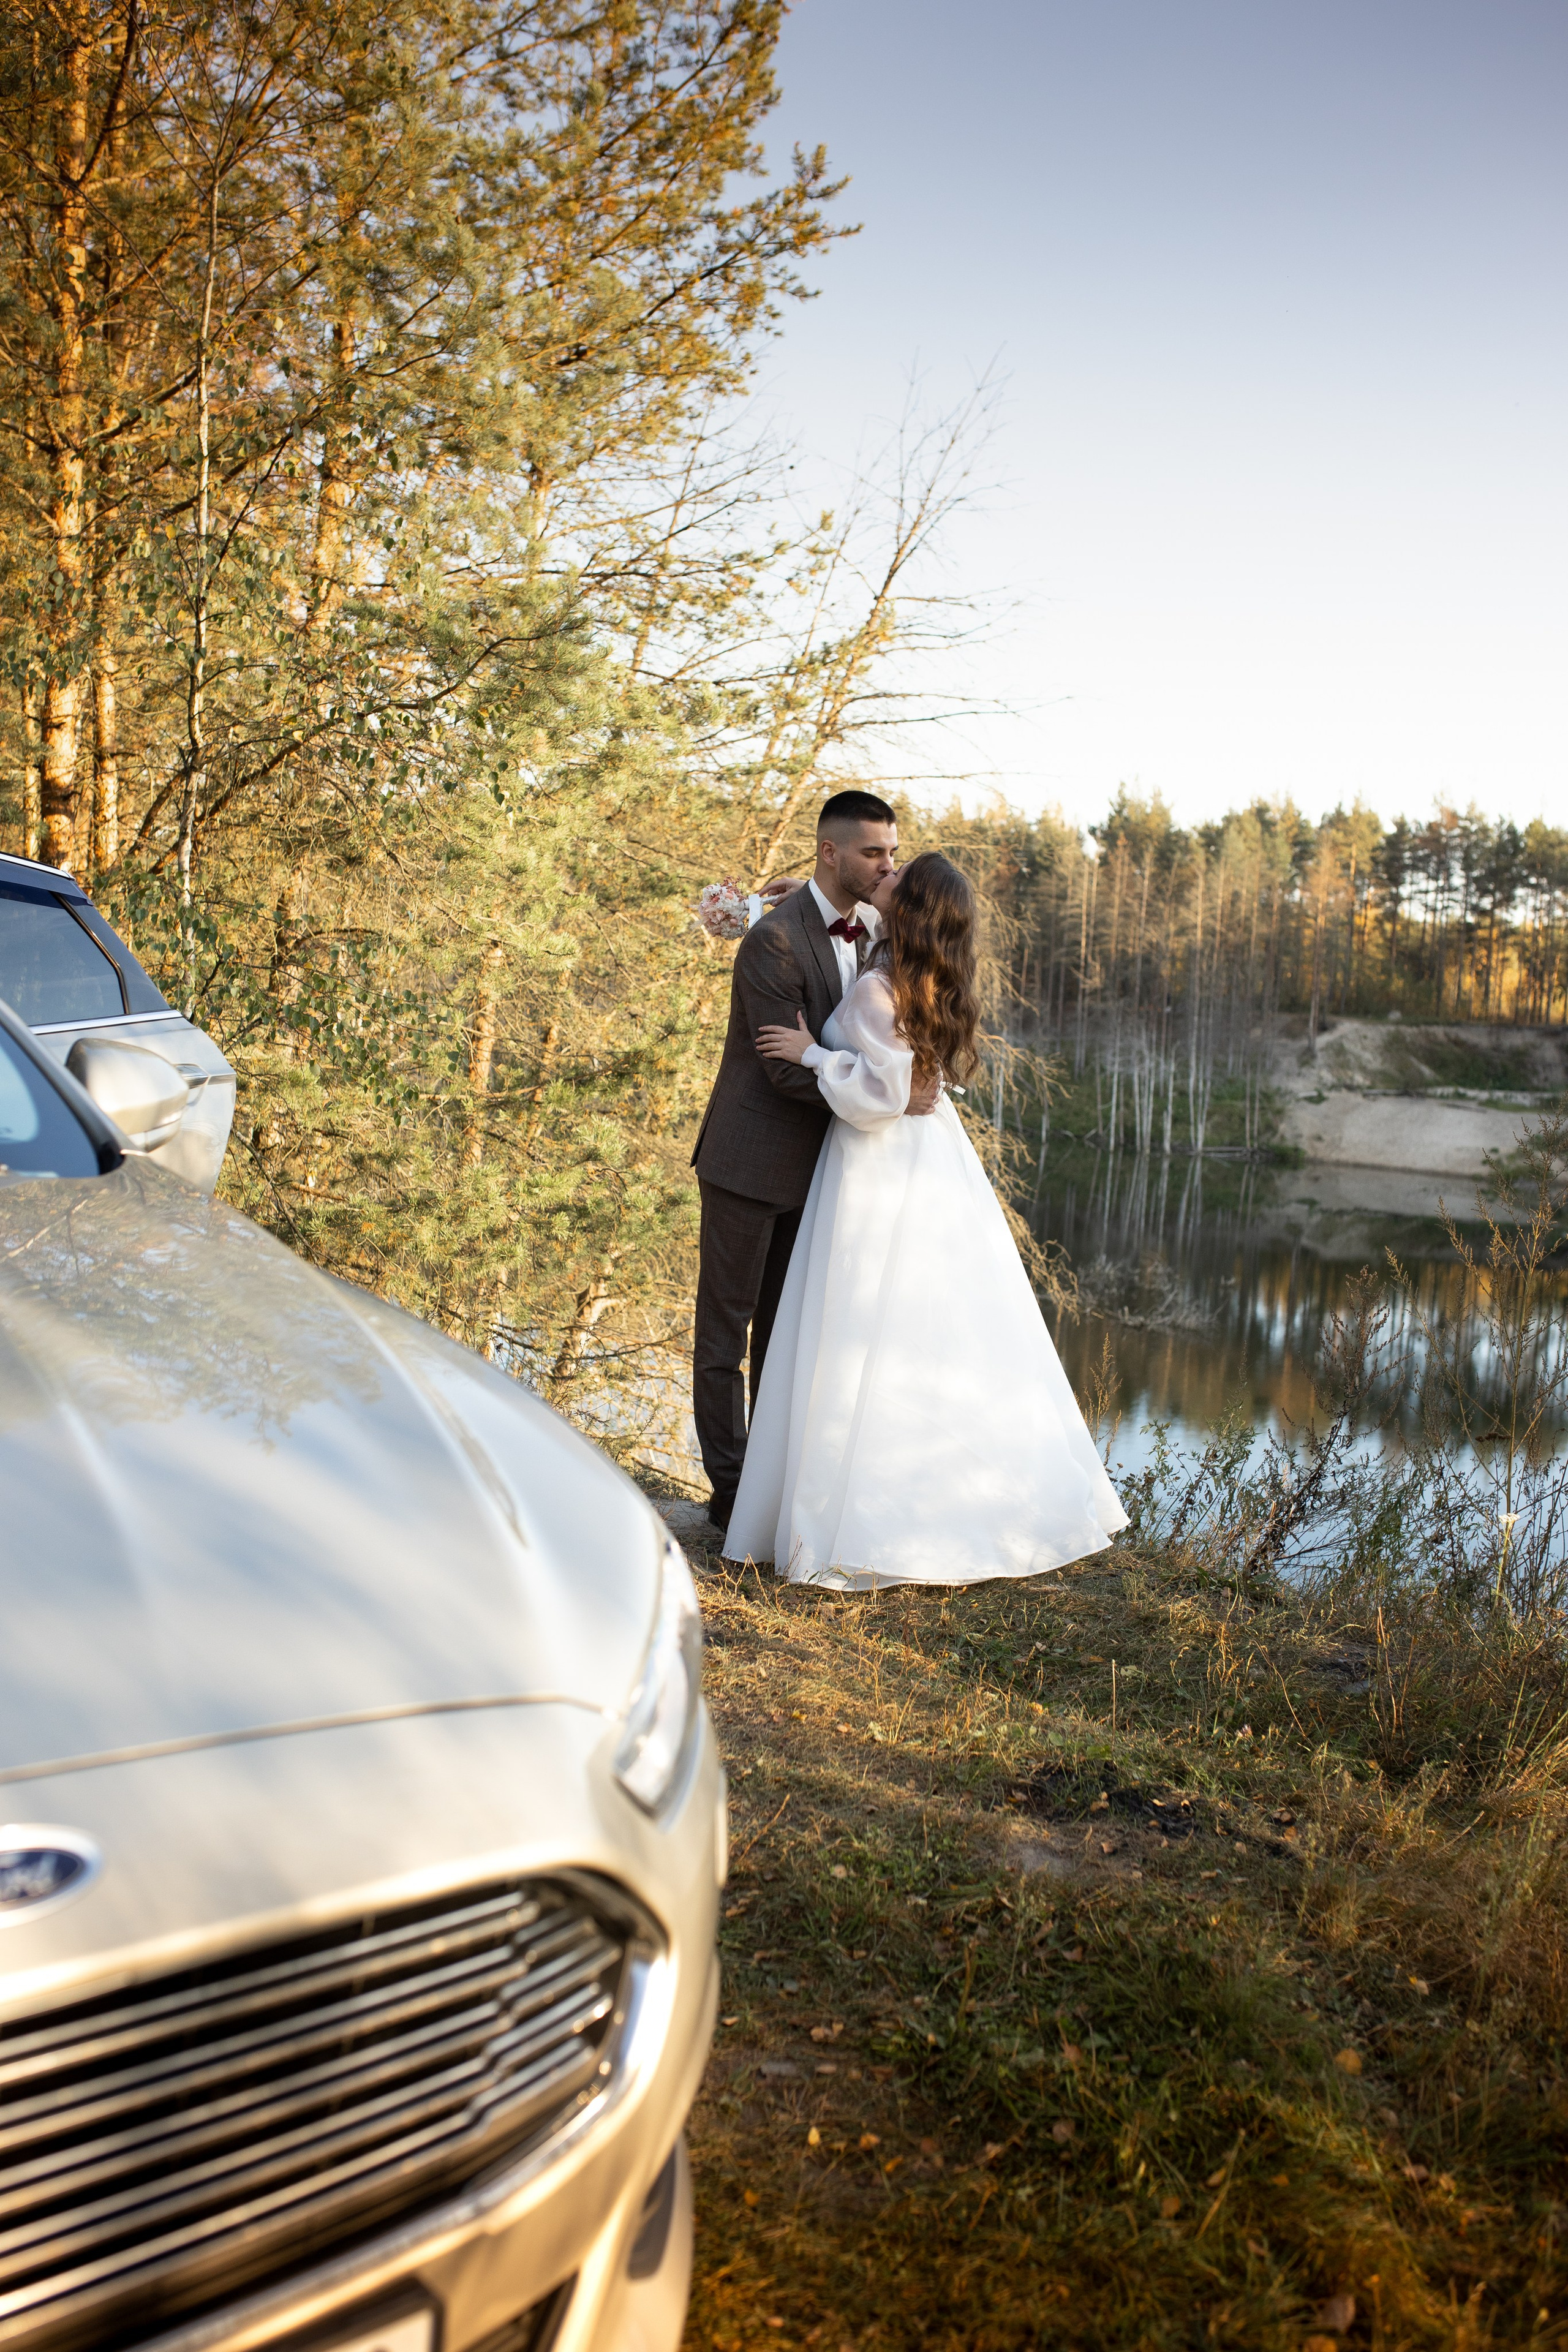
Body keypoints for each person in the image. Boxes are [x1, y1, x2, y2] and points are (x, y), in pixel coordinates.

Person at [721, 849, 1128, 1588]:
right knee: (919, 1323)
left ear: (905, 912)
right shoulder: (925, 974)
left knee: (861, 1323)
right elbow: (864, 916)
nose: (887, 873)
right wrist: (799, 898)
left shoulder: (881, 991)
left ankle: (869, 1516)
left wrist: (813, 1054)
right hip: (927, 1158)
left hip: (878, 1164)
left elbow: (880, 1096)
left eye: (895, 878)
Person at [689, 791, 939, 1536]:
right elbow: (785, 1070)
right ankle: (731, 1493)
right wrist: (887, 1094)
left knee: (788, 1334)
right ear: (830, 853)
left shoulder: (872, 929)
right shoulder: (772, 942)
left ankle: (775, 1487)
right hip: (749, 1160)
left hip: (827, 1171)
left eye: (892, 854)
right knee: (723, 1334)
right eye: (873, 854)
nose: (887, 865)